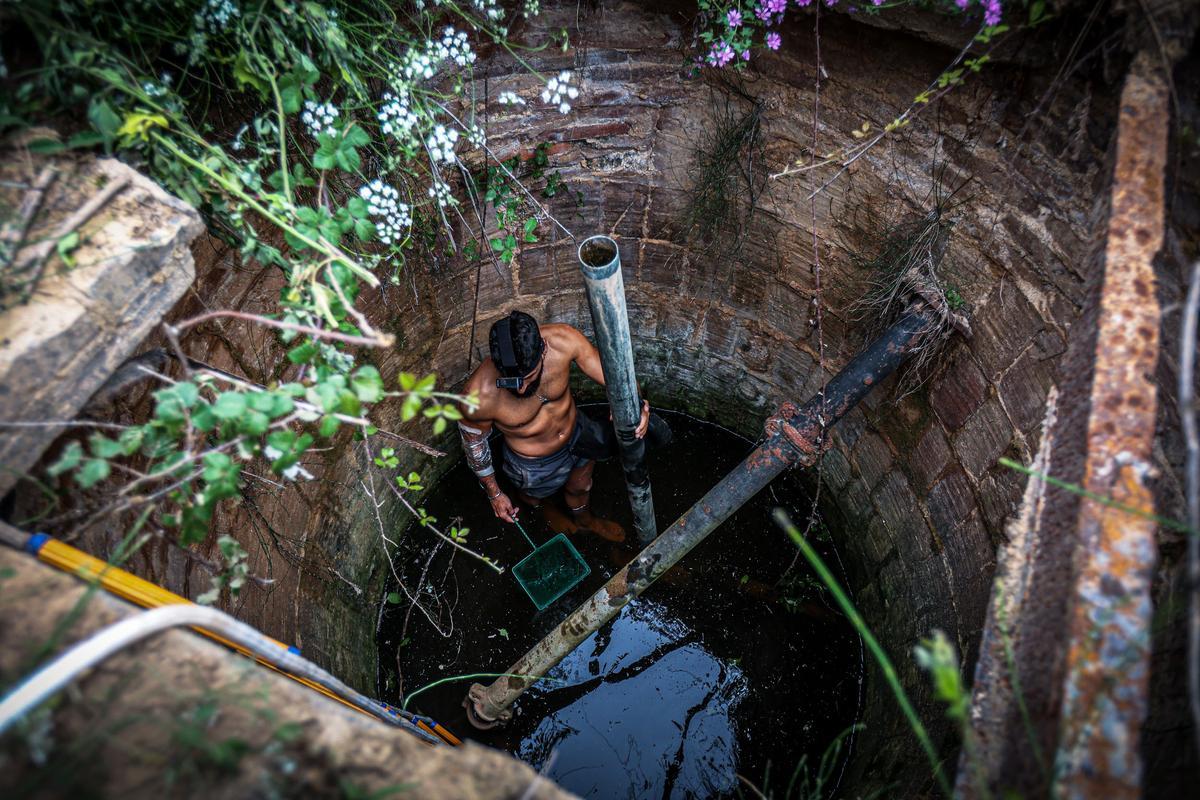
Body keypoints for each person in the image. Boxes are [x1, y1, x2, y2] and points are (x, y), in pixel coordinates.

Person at [457, 310, 668, 542]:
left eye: (528, 377)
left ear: (543, 349)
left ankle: (585, 520)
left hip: (577, 433)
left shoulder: (563, 341)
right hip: (533, 463)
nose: (520, 389)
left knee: (581, 487)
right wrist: (495, 494)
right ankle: (546, 508)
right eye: (512, 381)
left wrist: (636, 405)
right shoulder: (478, 396)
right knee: (532, 497)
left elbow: (617, 376)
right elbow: (475, 447)